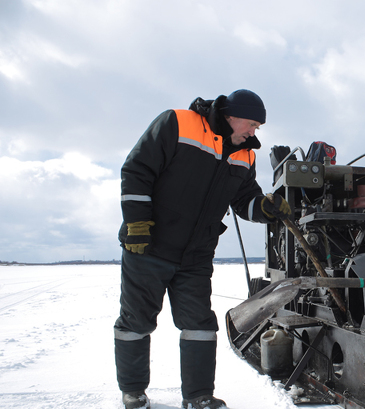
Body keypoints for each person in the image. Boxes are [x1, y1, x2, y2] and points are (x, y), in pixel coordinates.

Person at [114, 89, 290, 409]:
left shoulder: (245, 154)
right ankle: (133, 390)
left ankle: (198, 397)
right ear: (230, 115)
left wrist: (265, 208)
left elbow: (244, 201)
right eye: (251, 124)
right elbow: (137, 170)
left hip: (196, 256)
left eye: (257, 127)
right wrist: (137, 224)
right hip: (149, 247)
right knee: (136, 322)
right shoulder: (178, 124)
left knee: (200, 326)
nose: (254, 132)